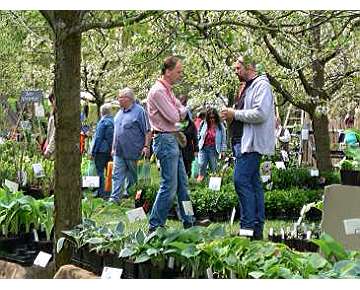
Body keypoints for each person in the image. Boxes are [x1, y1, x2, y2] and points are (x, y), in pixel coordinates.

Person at [221, 55, 275, 240]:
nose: (235, 72)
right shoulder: (249, 87)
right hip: (242, 142)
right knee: (253, 184)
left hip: (251, 144)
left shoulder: (262, 86)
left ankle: (247, 226)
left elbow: (261, 113)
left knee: (240, 180)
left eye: (238, 68)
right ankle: (256, 229)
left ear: (249, 67)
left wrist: (234, 114)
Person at [146, 55, 195, 232]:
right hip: (165, 140)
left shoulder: (168, 90)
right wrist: (179, 112)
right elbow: (176, 116)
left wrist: (180, 112)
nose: (180, 75)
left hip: (171, 139)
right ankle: (155, 224)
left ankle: (189, 220)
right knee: (169, 186)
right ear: (167, 71)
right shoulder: (158, 91)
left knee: (183, 185)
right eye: (178, 71)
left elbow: (183, 111)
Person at [109, 87, 152, 204]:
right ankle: (114, 199)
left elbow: (148, 130)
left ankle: (134, 197)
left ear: (128, 99)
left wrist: (146, 146)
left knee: (133, 177)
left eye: (120, 97)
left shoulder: (140, 112)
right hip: (119, 151)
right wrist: (113, 148)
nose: (118, 99)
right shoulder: (118, 113)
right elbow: (116, 132)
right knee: (116, 175)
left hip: (134, 151)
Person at [90, 103, 114, 198]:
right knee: (109, 172)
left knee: (100, 172)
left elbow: (98, 138)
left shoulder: (102, 122)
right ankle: (109, 191)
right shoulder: (114, 121)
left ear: (101, 112)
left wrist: (93, 152)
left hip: (101, 151)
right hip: (110, 150)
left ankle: (101, 193)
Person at [197, 108, 227, 182]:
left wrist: (223, 151)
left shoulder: (220, 126)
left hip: (213, 149)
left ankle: (214, 187)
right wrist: (196, 145)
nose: (212, 119)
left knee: (214, 168)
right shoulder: (203, 124)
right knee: (202, 165)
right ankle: (199, 183)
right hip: (203, 148)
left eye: (213, 117)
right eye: (210, 117)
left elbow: (223, 140)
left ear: (216, 117)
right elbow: (198, 134)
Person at [181, 112, 199, 177]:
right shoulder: (177, 124)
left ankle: (186, 180)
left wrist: (196, 150)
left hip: (188, 149)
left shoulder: (191, 125)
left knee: (187, 166)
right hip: (179, 148)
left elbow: (195, 138)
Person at [43, 92, 56, 159]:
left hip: (56, 150)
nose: (52, 103)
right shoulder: (54, 114)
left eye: (52, 100)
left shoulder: (58, 115)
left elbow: (55, 134)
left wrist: (49, 150)